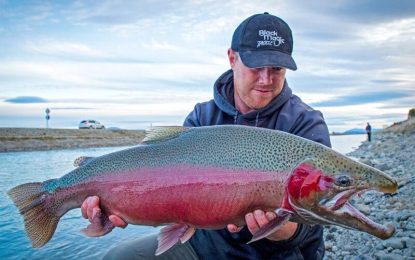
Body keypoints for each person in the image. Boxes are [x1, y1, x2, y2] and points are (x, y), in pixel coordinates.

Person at [81, 12, 331, 259]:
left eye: (276, 68)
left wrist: (278, 228)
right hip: (203, 246)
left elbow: (314, 224)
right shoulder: (202, 117)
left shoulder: (305, 123)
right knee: (121, 256)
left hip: (276, 256)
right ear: (232, 58)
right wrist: (117, 206)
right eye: (256, 66)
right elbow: (167, 186)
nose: (266, 79)